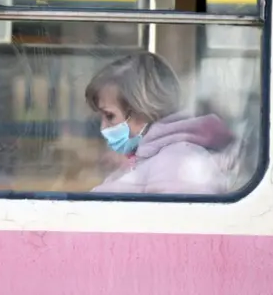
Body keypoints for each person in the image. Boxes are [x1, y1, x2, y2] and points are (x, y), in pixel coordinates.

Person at [85, 52, 235, 194]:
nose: (103, 127)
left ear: (141, 111)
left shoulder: (176, 162)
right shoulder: (148, 159)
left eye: (110, 116)